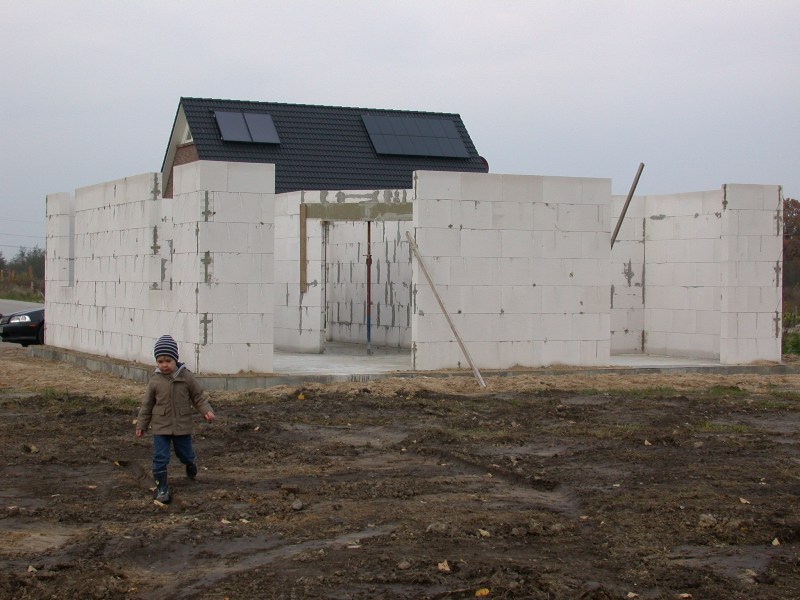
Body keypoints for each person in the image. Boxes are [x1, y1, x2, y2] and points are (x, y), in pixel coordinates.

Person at [135, 335, 215, 503]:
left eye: (168, 361)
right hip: (161, 426)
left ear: (175, 359)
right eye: (160, 361)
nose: (164, 365)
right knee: (160, 458)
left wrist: (206, 411)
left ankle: (190, 463)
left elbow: (198, 397)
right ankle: (162, 488)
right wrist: (141, 425)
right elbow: (147, 405)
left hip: (181, 426)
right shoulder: (155, 381)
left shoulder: (186, 377)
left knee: (184, 454)